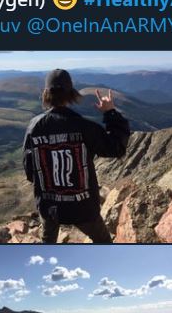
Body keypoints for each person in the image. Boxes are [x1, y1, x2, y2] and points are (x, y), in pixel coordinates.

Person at [23, 69, 130, 243]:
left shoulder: (34, 127)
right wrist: (110, 113)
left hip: (50, 207)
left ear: (46, 94)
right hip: (83, 208)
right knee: (104, 243)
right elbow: (116, 148)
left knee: (47, 242)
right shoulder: (84, 126)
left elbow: (30, 171)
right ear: (71, 93)